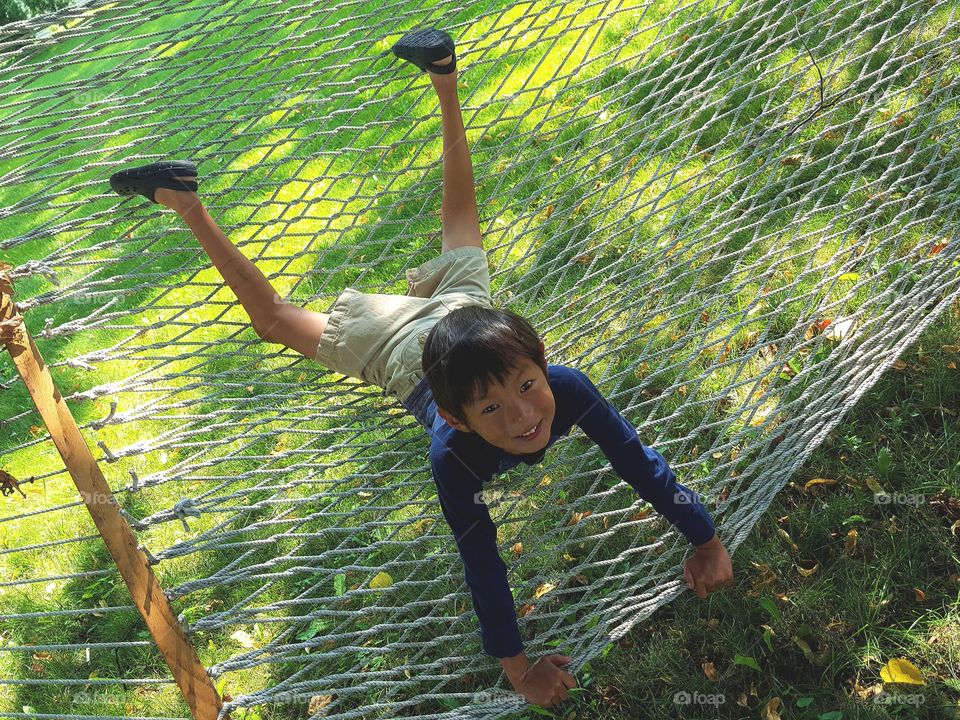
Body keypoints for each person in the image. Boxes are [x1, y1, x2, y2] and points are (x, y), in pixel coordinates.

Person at [108, 27, 734, 710]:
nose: (525, 417)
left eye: (527, 387)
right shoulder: (454, 454)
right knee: (277, 322)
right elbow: (483, 563)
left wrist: (706, 538)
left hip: (470, 320)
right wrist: (519, 669)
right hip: (405, 348)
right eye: (493, 411)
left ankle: (444, 77)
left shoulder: (564, 388)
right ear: (458, 416)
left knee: (463, 215)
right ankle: (188, 204)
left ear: (541, 363)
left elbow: (639, 460)